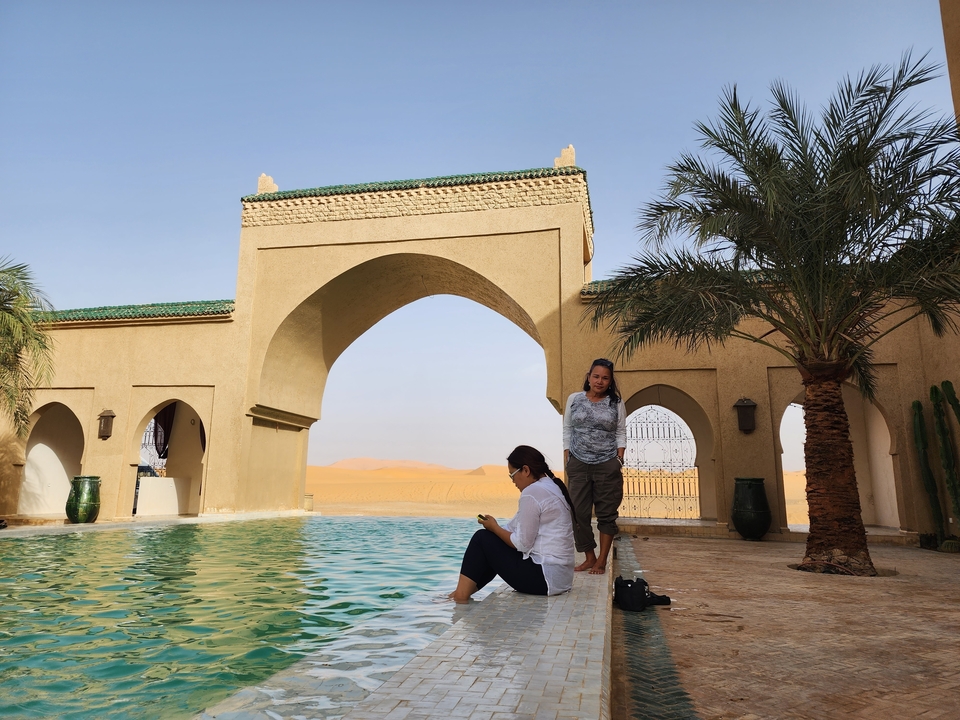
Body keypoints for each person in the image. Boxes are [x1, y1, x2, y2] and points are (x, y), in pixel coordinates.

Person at [449, 445, 575, 603]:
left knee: (481, 538)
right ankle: (461, 593)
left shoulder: (533, 492)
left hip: (544, 579)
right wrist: (494, 528)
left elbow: (522, 544)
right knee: (490, 542)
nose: (513, 482)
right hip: (560, 579)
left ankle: (459, 598)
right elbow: (514, 528)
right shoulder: (550, 486)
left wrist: (494, 528)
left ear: (526, 470)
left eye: (512, 476)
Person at [563, 358, 626, 574]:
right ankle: (589, 557)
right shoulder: (574, 399)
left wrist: (618, 459)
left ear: (610, 381)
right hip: (579, 463)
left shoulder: (615, 403)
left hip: (607, 464)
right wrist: (567, 458)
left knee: (606, 514)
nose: (600, 381)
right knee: (577, 512)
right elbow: (567, 430)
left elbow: (620, 432)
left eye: (605, 378)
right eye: (596, 376)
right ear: (589, 377)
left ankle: (601, 561)